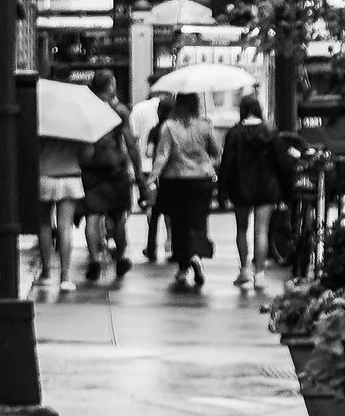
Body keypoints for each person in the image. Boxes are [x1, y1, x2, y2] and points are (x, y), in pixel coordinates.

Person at [216, 93, 290, 289]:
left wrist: (222, 190)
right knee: (261, 231)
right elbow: (282, 163)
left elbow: (227, 163)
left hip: (241, 188)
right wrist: (285, 188)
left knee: (242, 229)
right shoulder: (270, 132)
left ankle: (244, 270)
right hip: (266, 187)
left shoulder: (235, 133)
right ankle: (260, 274)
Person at [148, 90, 220, 292]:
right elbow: (216, 151)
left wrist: (152, 178)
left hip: (176, 181)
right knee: (198, 221)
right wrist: (207, 162)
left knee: (179, 223)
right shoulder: (205, 125)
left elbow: (162, 155)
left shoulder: (169, 127)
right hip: (201, 180)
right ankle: (196, 255)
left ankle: (182, 268)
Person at [80, 73, 138, 286]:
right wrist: (138, 171)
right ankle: (121, 258)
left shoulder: (86, 110)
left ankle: (94, 260)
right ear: (111, 85)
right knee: (119, 216)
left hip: (92, 170)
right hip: (115, 170)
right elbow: (130, 143)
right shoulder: (119, 111)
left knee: (92, 217)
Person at [35, 106, 85, 298]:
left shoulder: (42, 125)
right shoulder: (76, 128)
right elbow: (86, 155)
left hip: (45, 175)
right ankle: (65, 277)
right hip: (70, 176)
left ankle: (46, 272)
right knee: (65, 226)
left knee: (44, 224)